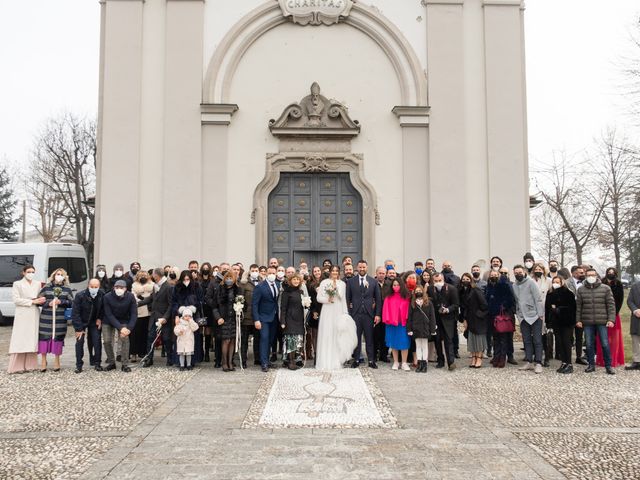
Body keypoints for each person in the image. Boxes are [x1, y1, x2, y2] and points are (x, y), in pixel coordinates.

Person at [315, 265, 358, 370]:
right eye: (333, 271)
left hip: (338, 309)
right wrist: (327, 300)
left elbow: (343, 299)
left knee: (337, 335)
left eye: (336, 271)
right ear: (329, 272)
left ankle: (336, 361)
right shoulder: (324, 282)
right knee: (327, 333)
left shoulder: (342, 284)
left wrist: (345, 313)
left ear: (339, 272)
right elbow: (318, 298)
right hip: (327, 310)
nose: (334, 272)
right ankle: (324, 361)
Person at [576, 268, 616, 374]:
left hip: (602, 321)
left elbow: (611, 305)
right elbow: (578, 307)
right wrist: (578, 320)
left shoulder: (606, 288)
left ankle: (608, 365)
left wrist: (611, 319)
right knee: (589, 344)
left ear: (596, 275)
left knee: (604, 343)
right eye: (588, 275)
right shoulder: (581, 289)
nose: (590, 277)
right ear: (585, 276)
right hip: (587, 321)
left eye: (592, 275)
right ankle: (591, 365)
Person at [7, 265, 45, 374]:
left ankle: (31, 365)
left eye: (33, 271)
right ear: (23, 272)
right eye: (29, 271)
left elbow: (41, 295)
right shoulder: (17, 284)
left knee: (32, 338)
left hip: (34, 313)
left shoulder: (37, 284)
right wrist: (32, 302)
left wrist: (41, 300)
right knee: (20, 338)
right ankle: (17, 366)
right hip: (22, 314)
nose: (31, 273)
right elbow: (16, 300)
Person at [346, 260, 382, 369]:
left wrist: (377, 314)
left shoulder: (373, 281)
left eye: (364, 267)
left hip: (369, 315)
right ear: (357, 268)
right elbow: (348, 298)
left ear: (367, 268)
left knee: (369, 338)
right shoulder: (351, 281)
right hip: (355, 314)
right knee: (356, 338)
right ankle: (356, 359)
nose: (362, 269)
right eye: (360, 267)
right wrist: (349, 313)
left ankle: (371, 360)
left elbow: (378, 299)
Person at [38, 268, 74, 372]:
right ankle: (43, 361)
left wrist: (61, 302)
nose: (59, 276)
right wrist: (48, 303)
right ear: (53, 276)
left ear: (64, 277)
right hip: (46, 318)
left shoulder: (67, 289)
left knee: (58, 339)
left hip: (60, 318)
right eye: (57, 274)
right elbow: (39, 300)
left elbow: (72, 302)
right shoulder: (46, 287)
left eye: (61, 274)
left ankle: (57, 360)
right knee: (44, 339)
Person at [137, 268, 174, 367]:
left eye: (152, 274)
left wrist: (165, 317)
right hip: (154, 316)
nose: (151, 276)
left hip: (164, 318)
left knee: (166, 339)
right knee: (150, 337)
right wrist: (137, 303)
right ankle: (149, 359)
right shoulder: (155, 286)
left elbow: (171, 304)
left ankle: (170, 359)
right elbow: (151, 298)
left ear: (156, 275)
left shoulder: (168, 287)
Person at [513, 265, 544, 374]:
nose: (518, 274)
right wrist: (518, 314)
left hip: (535, 316)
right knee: (526, 340)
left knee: (537, 340)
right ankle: (529, 361)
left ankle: (538, 362)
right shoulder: (514, 285)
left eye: (520, 272)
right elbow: (517, 301)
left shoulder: (531, 282)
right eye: (516, 273)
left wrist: (540, 314)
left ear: (524, 272)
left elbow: (538, 298)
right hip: (523, 317)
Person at [102, 279, 138, 372]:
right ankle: (111, 362)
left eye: (121, 287)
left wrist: (129, 328)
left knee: (125, 339)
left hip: (123, 319)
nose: (119, 289)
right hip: (108, 320)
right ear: (113, 288)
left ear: (126, 289)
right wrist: (121, 328)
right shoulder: (107, 297)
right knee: (107, 341)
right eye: (117, 287)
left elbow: (134, 314)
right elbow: (109, 314)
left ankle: (125, 364)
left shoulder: (130, 297)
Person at [172, 270, 205, 367]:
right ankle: (180, 361)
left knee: (193, 338)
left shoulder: (197, 286)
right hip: (181, 315)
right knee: (180, 337)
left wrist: (194, 307)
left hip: (193, 317)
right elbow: (174, 302)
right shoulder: (177, 287)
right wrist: (177, 313)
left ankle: (192, 361)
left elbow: (201, 300)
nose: (186, 281)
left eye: (188, 279)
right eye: (184, 279)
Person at [71, 278, 104, 373]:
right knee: (79, 341)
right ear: (88, 286)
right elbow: (75, 313)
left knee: (97, 341)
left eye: (96, 287)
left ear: (99, 287)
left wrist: (100, 318)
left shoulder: (101, 294)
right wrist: (78, 329)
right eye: (92, 286)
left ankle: (97, 363)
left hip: (94, 321)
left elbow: (103, 309)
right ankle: (79, 365)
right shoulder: (80, 295)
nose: (94, 288)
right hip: (82, 321)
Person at [545, 276, 576, 373]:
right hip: (556, 323)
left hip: (566, 322)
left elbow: (572, 308)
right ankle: (563, 362)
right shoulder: (550, 294)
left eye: (558, 282)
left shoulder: (568, 293)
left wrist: (558, 309)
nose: (556, 283)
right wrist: (548, 322)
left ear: (562, 282)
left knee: (566, 342)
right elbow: (547, 309)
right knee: (559, 343)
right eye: (554, 282)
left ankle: (569, 363)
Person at [485, 269, 516, 368]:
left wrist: (503, 306)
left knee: (503, 338)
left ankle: (502, 357)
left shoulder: (504, 285)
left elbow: (511, 298)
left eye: (495, 275)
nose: (493, 276)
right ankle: (496, 356)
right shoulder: (488, 286)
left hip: (502, 314)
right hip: (492, 315)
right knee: (495, 338)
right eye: (492, 275)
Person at [252, 266, 281, 372]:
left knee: (271, 340)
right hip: (263, 318)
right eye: (270, 273)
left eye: (274, 273)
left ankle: (267, 360)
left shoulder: (278, 285)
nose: (272, 275)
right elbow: (254, 304)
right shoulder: (260, 286)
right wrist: (256, 319)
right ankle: (263, 363)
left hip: (274, 317)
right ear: (265, 274)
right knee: (264, 338)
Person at [596, 268, 625, 367]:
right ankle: (602, 359)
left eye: (613, 273)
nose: (610, 274)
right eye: (609, 272)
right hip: (602, 314)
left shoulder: (618, 284)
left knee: (614, 338)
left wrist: (613, 314)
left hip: (614, 314)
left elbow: (620, 300)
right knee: (602, 337)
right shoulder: (601, 282)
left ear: (615, 274)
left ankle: (614, 358)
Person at [213, 271, 242, 372]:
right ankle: (224, 362)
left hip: (233, 319)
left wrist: (240, 308)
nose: (229, 280)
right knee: (226, 341)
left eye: (231, 278)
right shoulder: (219, 290)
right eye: (227, 278)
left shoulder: (238, 290)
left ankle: (230, 362)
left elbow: (243, 303)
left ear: (234, 279)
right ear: (224, 279)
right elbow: (214, 306)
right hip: (223, 319)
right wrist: (218, 317)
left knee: (232, 341)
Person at [459, 273, 489, 368]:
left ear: (471, 280)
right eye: (463, 279)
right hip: (469, 319)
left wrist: (478, 314)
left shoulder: (476, 290)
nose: (465, 281)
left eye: (467, 279)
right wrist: (464, 319)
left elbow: (484, 304)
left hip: (478, 319)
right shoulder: (465, 292)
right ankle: (474, 358)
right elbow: (465, 307)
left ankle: (479, 358)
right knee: (472, 339)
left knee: (478, 339)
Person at [430, 272, 459, 370]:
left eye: (440, 280)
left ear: (443, 280)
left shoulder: (451, 289)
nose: (438, 282)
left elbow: (455, 304)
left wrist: (447, 309)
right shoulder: (430, 289)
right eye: (436, 281)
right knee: (437, 340)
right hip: (436, 319)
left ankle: (451, 362)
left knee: (448, 340)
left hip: (448, 319)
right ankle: (440, 360)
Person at [381, 277, 411, 371]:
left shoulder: (407, 296)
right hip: (392, 323)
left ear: (402, 285)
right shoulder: (388, 297)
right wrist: (387, 319)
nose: (396, 286)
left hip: (403, 323)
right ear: (391, 286)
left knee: (404, 343)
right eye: (394, 285)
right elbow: (385, 309)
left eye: (398, 285)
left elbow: (410, 310)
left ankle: (404, 363)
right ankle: (396, 362)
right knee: (394, 343)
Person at [406, 286, 436, 373]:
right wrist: (409, 329)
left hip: (425, 327)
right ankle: (419, 363)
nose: (418, 292)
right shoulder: (412, 303)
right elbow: (409, 317)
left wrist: (432, 329)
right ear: (414, 293)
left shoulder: (428, 303)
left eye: (420, 290)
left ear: (423, 291)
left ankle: (424, 364)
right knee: (418, 346)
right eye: (416, 291)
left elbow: (432, 316)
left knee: (425, 346)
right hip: (416, 328)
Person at [280, 273, 306, 370]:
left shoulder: (301, 292)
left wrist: (307, 305)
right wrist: (282, 321)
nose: (296, 281)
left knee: (297, 341)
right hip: (289, 319)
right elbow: (283, 308)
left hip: (299, 319)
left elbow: (304, 305)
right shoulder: (286, 292)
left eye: (297, 279)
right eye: (294, 279)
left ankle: (296, 359)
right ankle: (290, 362)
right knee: (291, 341)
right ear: (290, 281)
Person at [240, 264, 262, 368]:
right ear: (249, 271)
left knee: (258, 339)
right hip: (247, 316)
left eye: (256, 270)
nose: (255, 272)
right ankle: (243, 360)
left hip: (258, 316)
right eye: (253, 270)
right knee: (244, 340)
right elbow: (240, 299)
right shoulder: (244, 284)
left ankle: (257, 359)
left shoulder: (262, 282)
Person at [130, 271, 154, 362]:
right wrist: (144, 298)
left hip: (149, 312)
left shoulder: (152, 285)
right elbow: (134, 296)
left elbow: (152, 296)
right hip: (139, 312)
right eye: (141, 276)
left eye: (145, 276)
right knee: (136, 334)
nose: (143, 277)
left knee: (145, 333)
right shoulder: (134, 285)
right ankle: (134, 353)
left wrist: (143, 297)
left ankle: (143, 352)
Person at [531, 263, 552, 366]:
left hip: (545, 310)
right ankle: (536, 355)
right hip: (533, 310)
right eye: (536, 269)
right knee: (534, 334)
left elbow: (552, 294)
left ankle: (547, 357)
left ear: (544, 270)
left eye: (540, 269)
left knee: (545, 335)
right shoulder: (530, 280)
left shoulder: (549, 281)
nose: (538, 270)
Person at [566, 265, 587, 365]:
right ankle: (567, 357)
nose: (583, 274)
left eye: (583, 272)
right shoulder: (566, 283)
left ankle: (579, 356)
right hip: (570, 312)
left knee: (580, 336)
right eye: (581, 273)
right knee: (569, 336)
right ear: (574, 273)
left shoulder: (586, 283)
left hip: (582, 312)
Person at [174, 306, 199, 371]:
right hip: (181, 341)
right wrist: (179, 332)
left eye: (189, 316)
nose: (187, 317)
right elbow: (176, 330)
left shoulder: (191, 322)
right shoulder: (179, 322)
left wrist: (191, 321)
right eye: (186, 316)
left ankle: (189, 364)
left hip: (189, 341)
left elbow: (195, 328)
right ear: (183, 316)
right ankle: (182, 365)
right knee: (181, 354)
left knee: (188, 354)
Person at [626, 280, 640, 371]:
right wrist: (635, 310)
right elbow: (629, 300)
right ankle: (637, 361)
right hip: (637, 317)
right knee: (635, 340)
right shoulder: (635, 286)